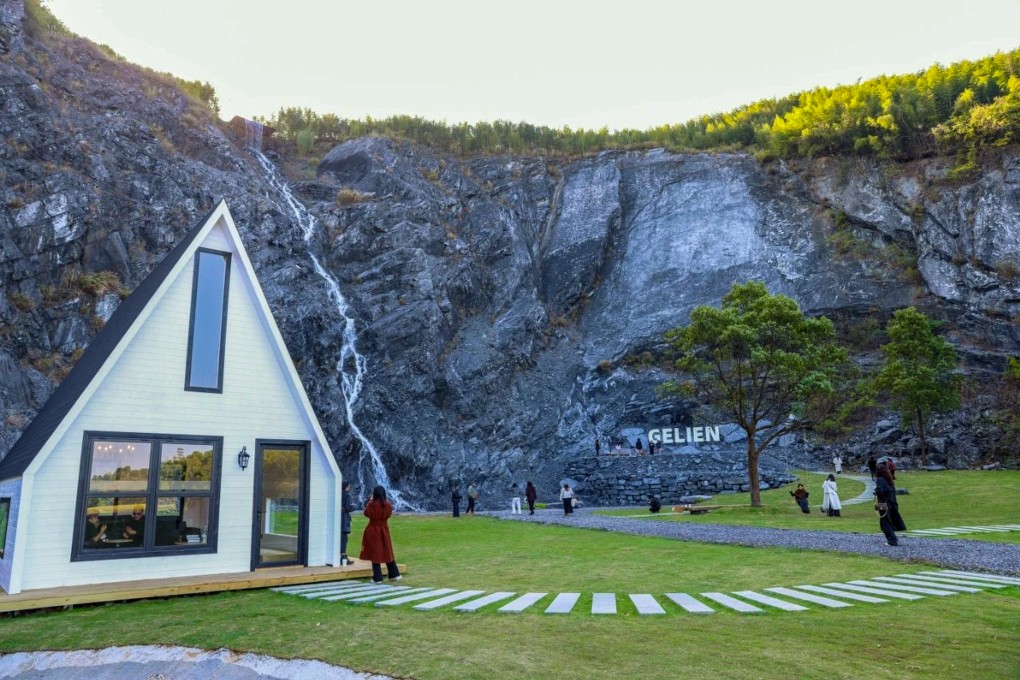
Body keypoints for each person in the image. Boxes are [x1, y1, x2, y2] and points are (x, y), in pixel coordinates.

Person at [360, 485, 401, 582]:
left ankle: (377, 577)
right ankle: (394, 574)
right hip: (384, 529)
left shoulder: (371, 504)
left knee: (375, 553)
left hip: (373, 529)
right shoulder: (387, 504)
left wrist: (370, 501)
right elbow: (389, 513)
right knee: (387, 550)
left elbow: (366, 513)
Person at [875, 463, 906, 546]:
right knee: (889, 520)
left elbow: (880, 491)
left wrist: (876, 492)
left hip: (883, 503)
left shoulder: (880, 479)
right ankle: (893, 538)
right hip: (892, 503)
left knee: (884, 522)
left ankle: (892, 540)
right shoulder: (890, 480)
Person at [340, 481, 353, 564]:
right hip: (343, 519)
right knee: (344, 539)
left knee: (339, 538)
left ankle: (341, 556)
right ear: (346, 487)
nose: (349, 488)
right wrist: (354, 506)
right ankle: (344, 558)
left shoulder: (338, 494)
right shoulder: (347, 495)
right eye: (349, 486)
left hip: (338, 519)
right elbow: (348, 507)